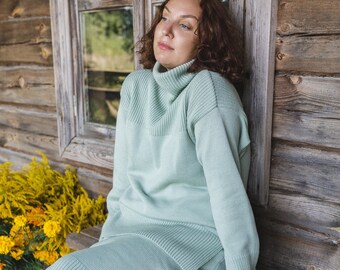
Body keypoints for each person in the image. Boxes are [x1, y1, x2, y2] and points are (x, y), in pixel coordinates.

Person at [48, 0, 259, 269]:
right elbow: (123, 181)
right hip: (132, 236)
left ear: (207, 40)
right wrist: (108, 242)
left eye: (185, 25)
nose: (166, 31)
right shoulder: (136, 86)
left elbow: (228, 195)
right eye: (164, 18)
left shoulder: (209, 92)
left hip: (191, 243)